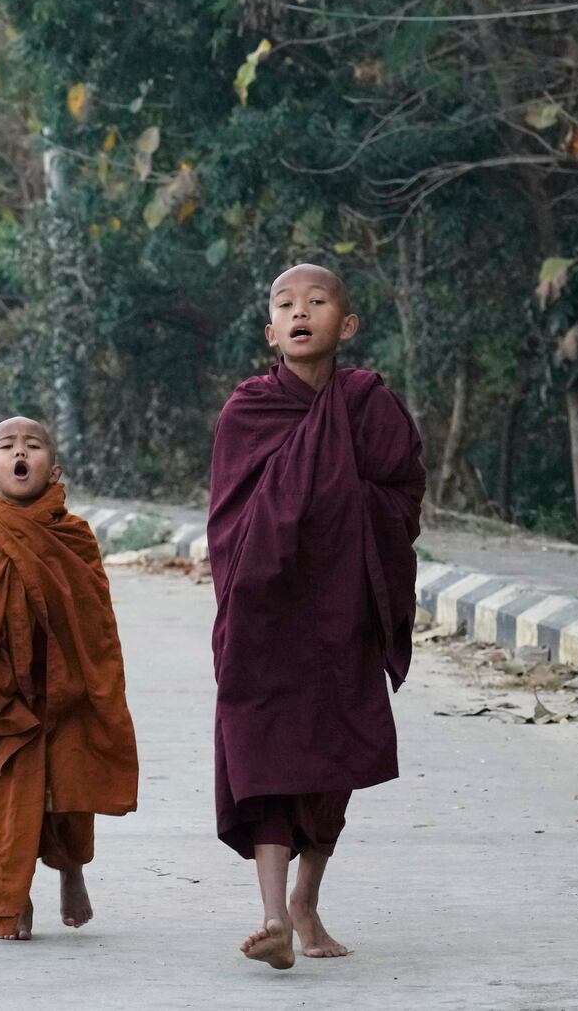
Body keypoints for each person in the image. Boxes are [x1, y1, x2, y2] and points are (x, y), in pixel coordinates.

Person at [206, 264, 425, 969]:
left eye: (319, 301)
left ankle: (306, 897)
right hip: (265, 612)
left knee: (331, 755)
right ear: (271, 331)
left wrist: (339, 502)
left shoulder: (366, 402)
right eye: (287, 304)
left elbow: (401, 491)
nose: (302, 311)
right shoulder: (247, 410)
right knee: (264, 751)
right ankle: (273, 916)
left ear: (347, 325)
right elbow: (230, 518)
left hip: (341, 610)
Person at [0, 416, 139, 941]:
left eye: (34, 444)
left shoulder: (74, 536)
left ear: (54, 469)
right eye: (8, 446)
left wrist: (91, 680)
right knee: (7, 797)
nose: (20, 451)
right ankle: (14, 897)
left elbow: (96, 617)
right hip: (4, 693)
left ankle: (72, 872)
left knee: (70, 783)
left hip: (67, 683)